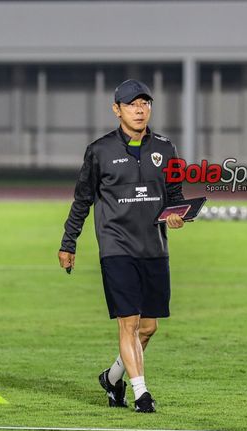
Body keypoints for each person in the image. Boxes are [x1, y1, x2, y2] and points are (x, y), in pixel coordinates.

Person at [57, 79, 185, 413]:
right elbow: (82, 200)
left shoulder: (166, 149)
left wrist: (177, 216)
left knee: (148, 327)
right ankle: (141, 393)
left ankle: (112, 377)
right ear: (117, 110)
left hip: (154, 247)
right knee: (128, 323)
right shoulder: (100, 151)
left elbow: (175, 197)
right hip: (116, 247)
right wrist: (68, 242)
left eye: (145, 103)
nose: (140, 109)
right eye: (132, 104)